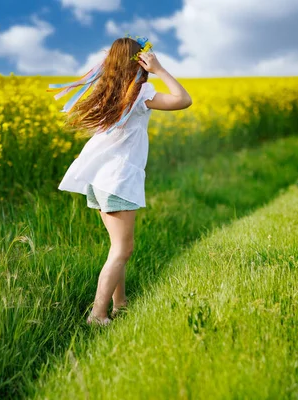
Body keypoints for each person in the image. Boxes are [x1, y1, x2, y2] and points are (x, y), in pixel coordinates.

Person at [48, 36, 192, 326]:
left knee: (117, 246)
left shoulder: (108, 91)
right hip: (118, 179)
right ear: (139, 61)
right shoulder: (139, 93)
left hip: (100, 180)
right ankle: (97, 315)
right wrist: (160, 70)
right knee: (122, 250)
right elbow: (183, 100)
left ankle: (120, 304)